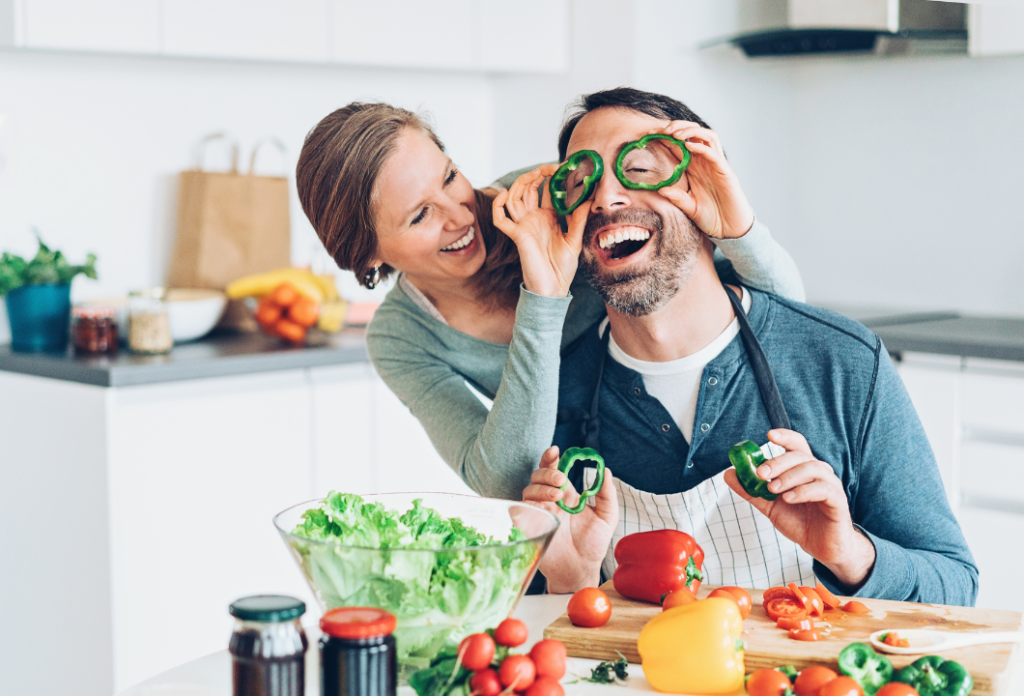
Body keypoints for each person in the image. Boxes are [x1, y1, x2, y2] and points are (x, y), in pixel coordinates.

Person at [520, 88, 977, 606]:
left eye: (640, 170)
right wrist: (569, 581)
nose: (605, 199)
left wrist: (849, 553)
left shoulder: (841, 362)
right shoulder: (553, 399)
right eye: (582, 185)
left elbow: (956, 590)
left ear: (704, 194)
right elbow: (538, 650)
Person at [296, 101, 804, 502]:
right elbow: (503, 481)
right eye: (419, 216)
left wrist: (738, 228)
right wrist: (544, 294)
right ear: (366, 257)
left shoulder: (547, 196)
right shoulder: (400, 338)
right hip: (585, 493)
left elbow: (783, 320)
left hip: (704, 431)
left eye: (450, 177)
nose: (461, 215)